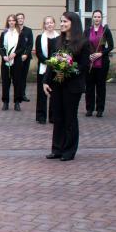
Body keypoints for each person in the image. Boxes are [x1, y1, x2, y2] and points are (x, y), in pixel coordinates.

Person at [43, 12, 90, 161]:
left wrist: (68, 70)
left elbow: (83, 66)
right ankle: (57, 149)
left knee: (70, 117)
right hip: (57, 85)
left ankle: (69, 151)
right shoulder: (57, 41)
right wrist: (45, 81)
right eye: (61, 21)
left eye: (65, 21)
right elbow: (51, 63)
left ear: (73, 23)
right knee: (57, 117)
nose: (62, 24)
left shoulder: (83, 42)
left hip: (73, 86)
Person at [84, 9, 114, 117]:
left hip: (102, 63)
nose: (97, 18)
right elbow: (84, 46)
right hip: (90, 62)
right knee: (89, 86)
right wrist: (89, 55)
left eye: (99, 17)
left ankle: (100, 109)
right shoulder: (87, 31)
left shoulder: (106, 30)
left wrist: (101, 54)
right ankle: (89, 109)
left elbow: (111, 46)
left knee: (101, 86)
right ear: (92, 18)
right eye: (95, 17)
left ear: (101, 18)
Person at [0, 14, 26, 111]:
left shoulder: (20, 33)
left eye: (13, 20)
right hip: (6, 61)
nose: (11, 22)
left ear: (16, 22)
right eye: (9, 20)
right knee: (5, 82)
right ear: (7, 22)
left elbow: (22, 47)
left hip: (16, 60)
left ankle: (17, 102)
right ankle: (5, 102)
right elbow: (0, 48)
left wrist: (15, 53)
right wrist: (4, 56)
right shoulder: (4, 33)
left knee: (17, 82)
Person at [35, 16, 59, 124]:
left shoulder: (59, 37)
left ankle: (53, 116)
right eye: (47, 23)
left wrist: (54, 63)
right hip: (44, 68)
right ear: (44, 25)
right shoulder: (40, 37)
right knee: (41, 93)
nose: (49, 25)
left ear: (54, 24)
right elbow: (39, 53)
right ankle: (41, 116)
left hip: (56, 69)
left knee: (54, 93)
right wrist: (48, 62)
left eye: (51, 22)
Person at [16, 13, 34, 102]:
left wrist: (26, 54)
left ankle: (23, 94)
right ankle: (17, 95)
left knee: (23, 77)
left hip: (26, 58)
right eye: (18, 18)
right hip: (16, 58)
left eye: (21, 18)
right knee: (16, 77)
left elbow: (30, 44)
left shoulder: (28, 31)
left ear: (24, 19)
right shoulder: (14, 30)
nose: (20, 20)